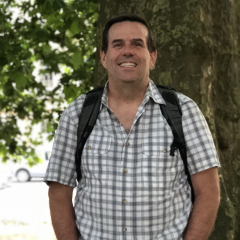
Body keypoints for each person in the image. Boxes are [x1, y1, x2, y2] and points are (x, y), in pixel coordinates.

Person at [45, 14, 220, 240]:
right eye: (118, 45)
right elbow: (59, 192)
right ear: (103, 57)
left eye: (137, 44)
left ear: (153, 57)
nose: (127, 51)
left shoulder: (184, 111)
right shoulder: (77, 114)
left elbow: (208, 192)